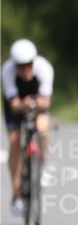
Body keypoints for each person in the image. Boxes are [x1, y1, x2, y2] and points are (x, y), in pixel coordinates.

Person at [2, 39, 54, 215]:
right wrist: (21, 105)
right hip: (16, 105)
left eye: (29, 65)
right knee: (14, 140)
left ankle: (44, 166)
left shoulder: (45, 68)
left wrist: (37, 103)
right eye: (21, 66)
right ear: (15, 65)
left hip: (38, 104)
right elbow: (13, 101)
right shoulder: (7, 70)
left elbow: (46, 100)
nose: (26, 69)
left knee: (43, 128)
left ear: (34, 61)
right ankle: (16, 193)